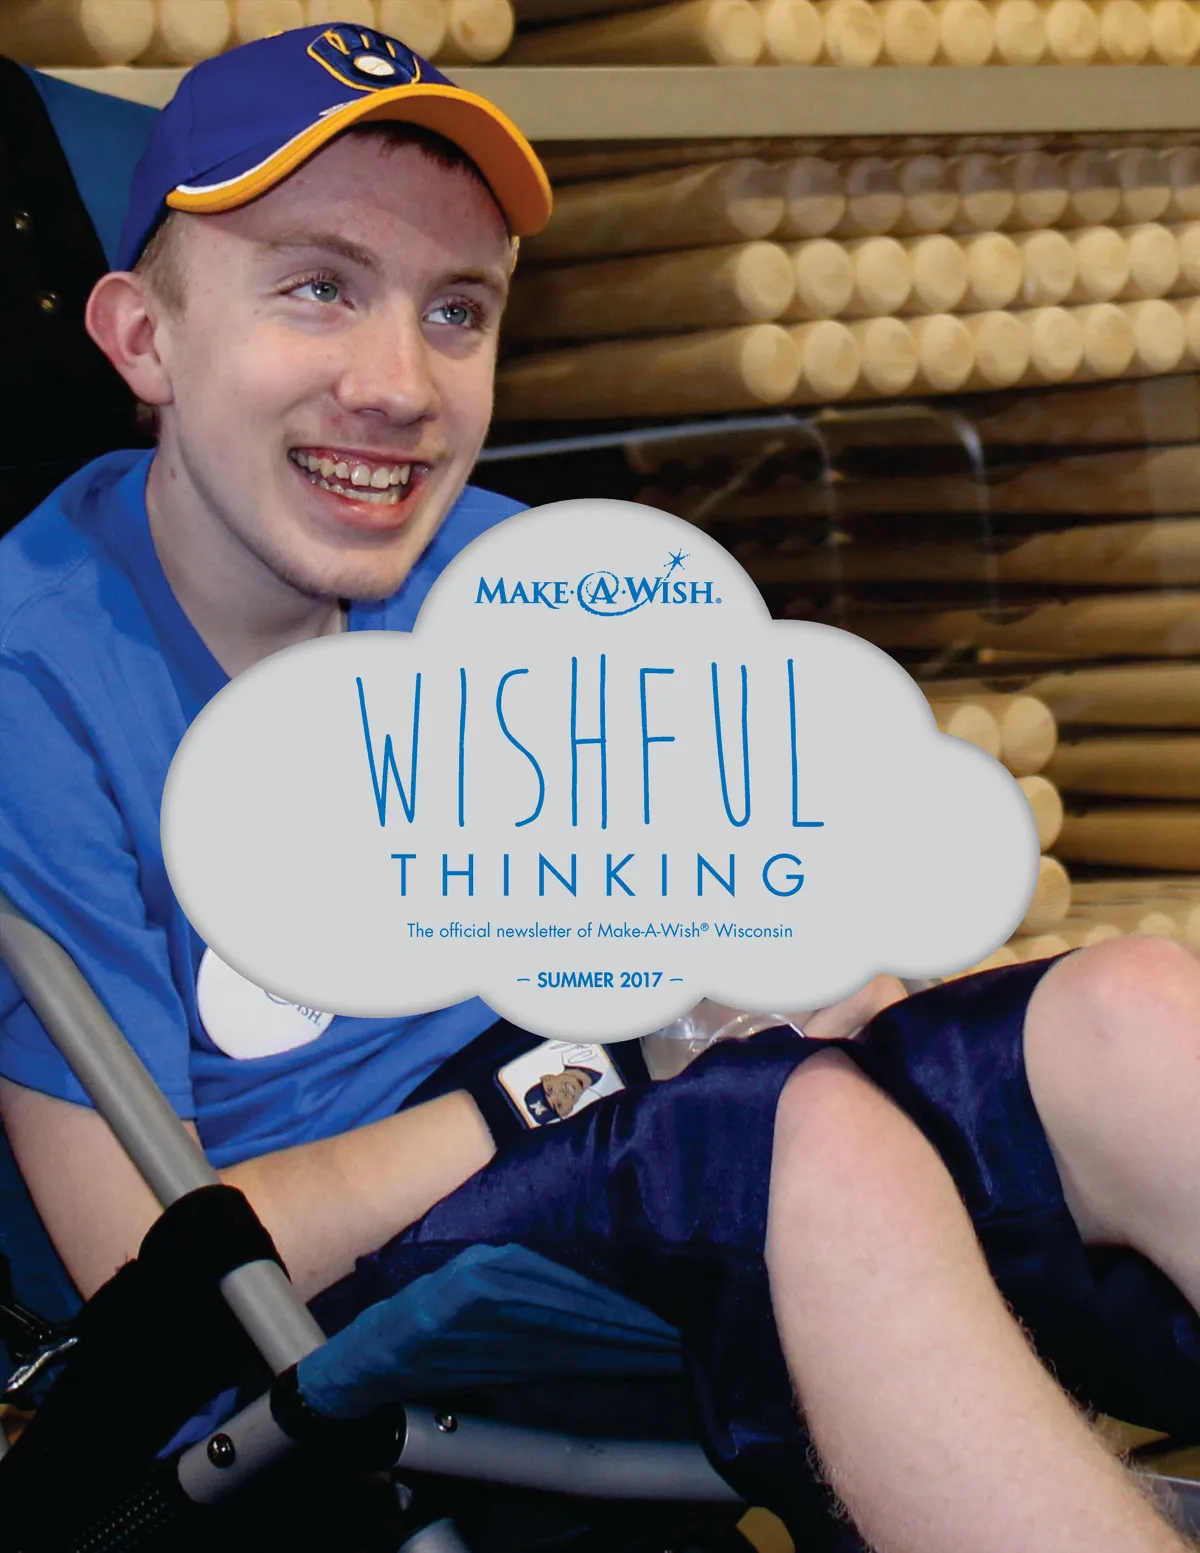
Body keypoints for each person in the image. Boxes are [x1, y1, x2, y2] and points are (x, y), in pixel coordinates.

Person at [2, 22, 1200, 1553]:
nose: (398, 383)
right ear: (141, 340)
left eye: (457, 310)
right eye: (317, 288)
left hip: (656, 1133)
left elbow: (776, 967)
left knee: (1135, 1013)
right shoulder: (37, 679)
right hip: (339, 1285)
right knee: (803, 1138)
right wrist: (594, 1068)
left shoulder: (526, 574)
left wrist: (819, 989)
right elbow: (150, 1282)